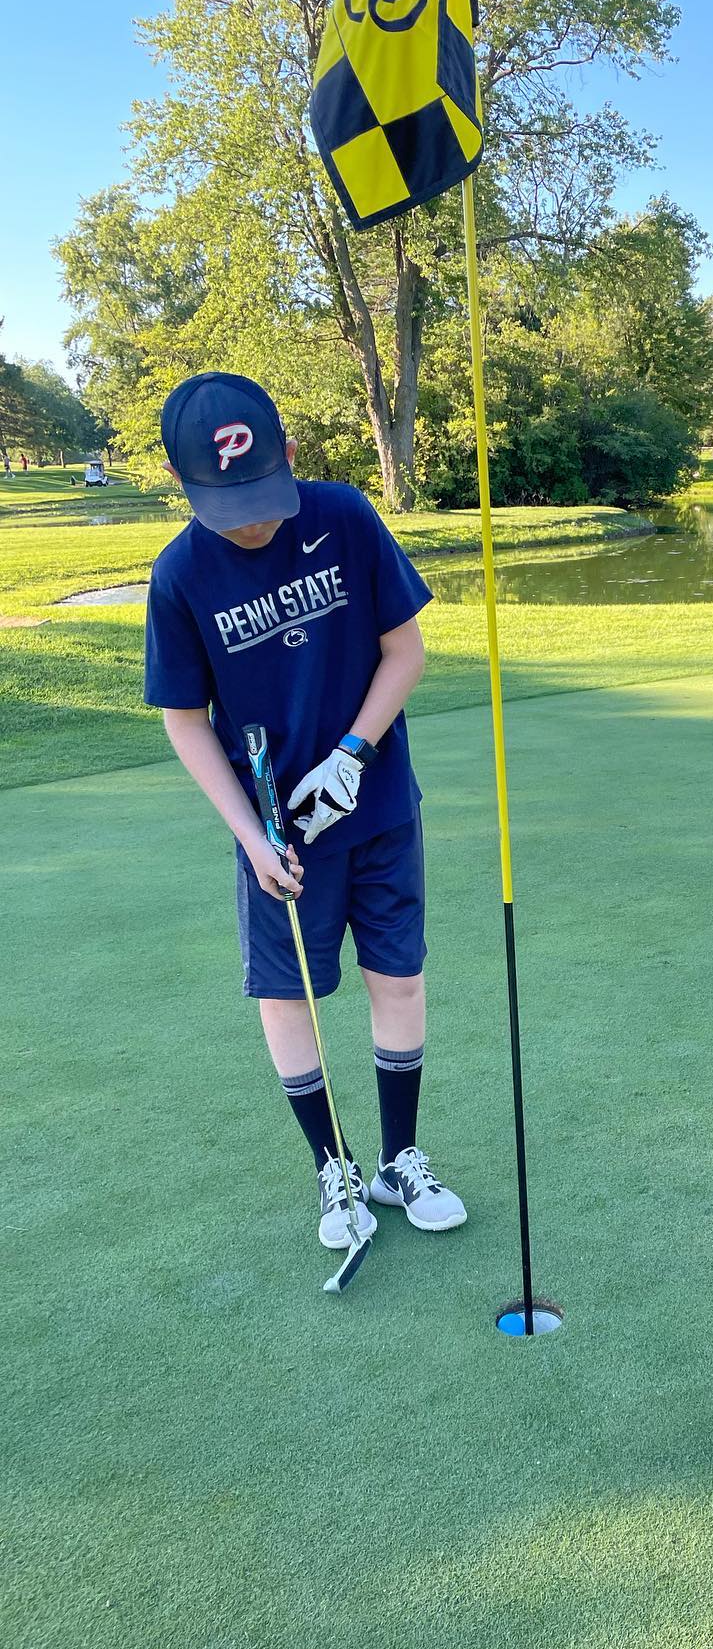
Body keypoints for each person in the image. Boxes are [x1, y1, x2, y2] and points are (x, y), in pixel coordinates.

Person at [143, 371, 467, 1261]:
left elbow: (406, 651)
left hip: (378, 807)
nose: (254, 522)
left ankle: (401, 1159)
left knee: (398, 977)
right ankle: (336, 1166)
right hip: (280, 836)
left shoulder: (346, 516)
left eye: (264, 497)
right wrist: (250, 838)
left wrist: (353, 755)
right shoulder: (178, 576)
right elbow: (183, 721)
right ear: (189, 488)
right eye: (230, 506)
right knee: (288, 996)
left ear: (287, 458)